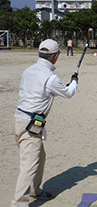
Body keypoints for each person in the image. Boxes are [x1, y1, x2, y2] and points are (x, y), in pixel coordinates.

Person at [11, 39, 78, 207]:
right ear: (54, 57)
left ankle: (35, 190)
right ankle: (18, 203)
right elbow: (68, 93)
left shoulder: (29, 71)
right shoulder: (50, 78)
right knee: (29, 165)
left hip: (20, 120)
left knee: (39, 156)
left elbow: (40, 92)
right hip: (31, 125)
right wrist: (75, 81)